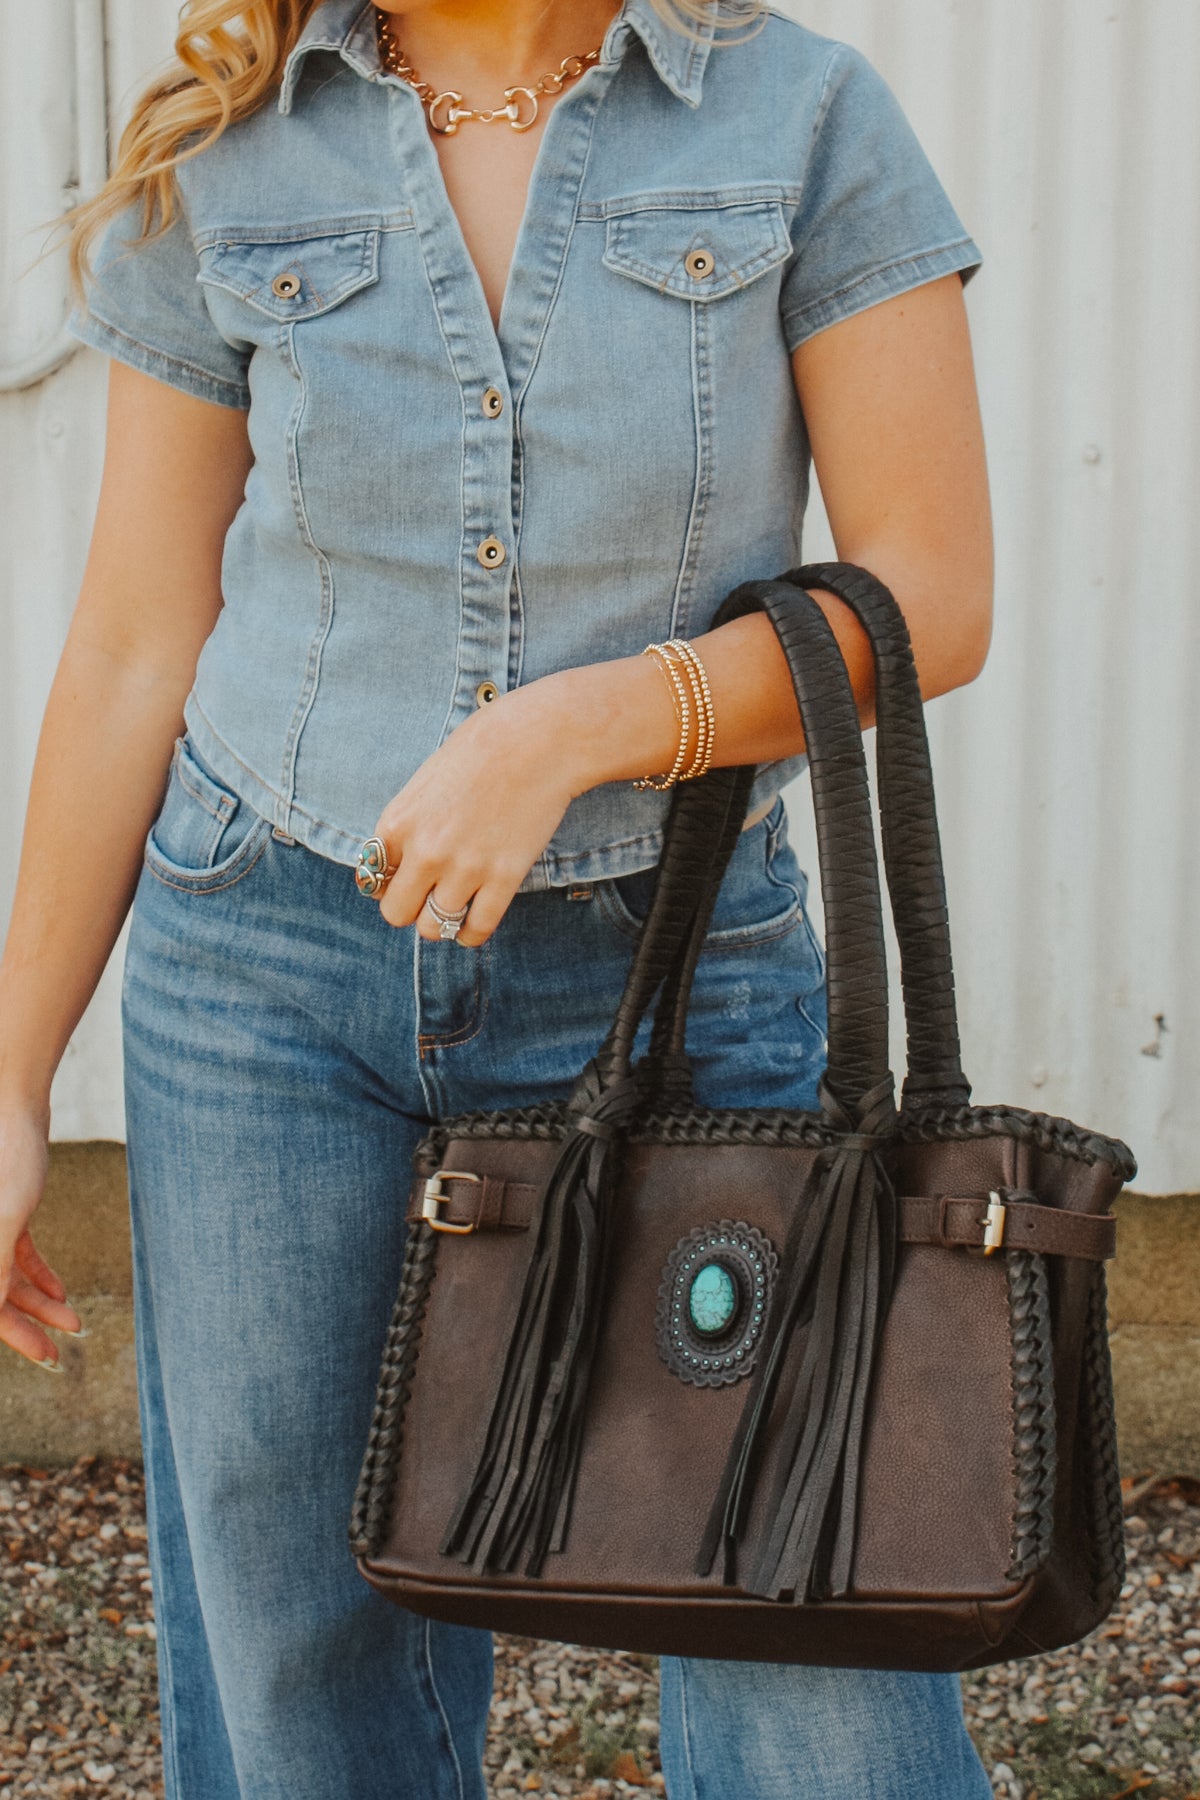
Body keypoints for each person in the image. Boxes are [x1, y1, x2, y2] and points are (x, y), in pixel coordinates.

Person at [0, 0, 996, 1794]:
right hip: (264, 974)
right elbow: (137, 640)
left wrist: (584, 728)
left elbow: (934, 590)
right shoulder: (232, 141)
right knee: (302, 1664)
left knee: (811, 1647)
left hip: (680, 972)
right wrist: (8, 1080)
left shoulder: (800, 116)